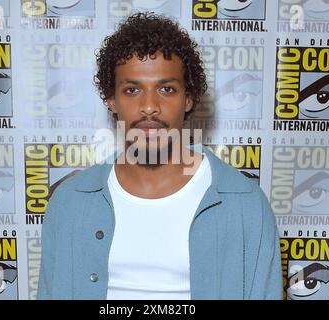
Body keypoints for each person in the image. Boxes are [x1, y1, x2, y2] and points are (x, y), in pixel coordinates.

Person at [37, 12, 282, 300]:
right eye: (132, 90)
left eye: (166, 89)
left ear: (188, 98)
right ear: (111, 100)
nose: (149, 106)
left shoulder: (245, 205)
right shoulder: (70, 202)